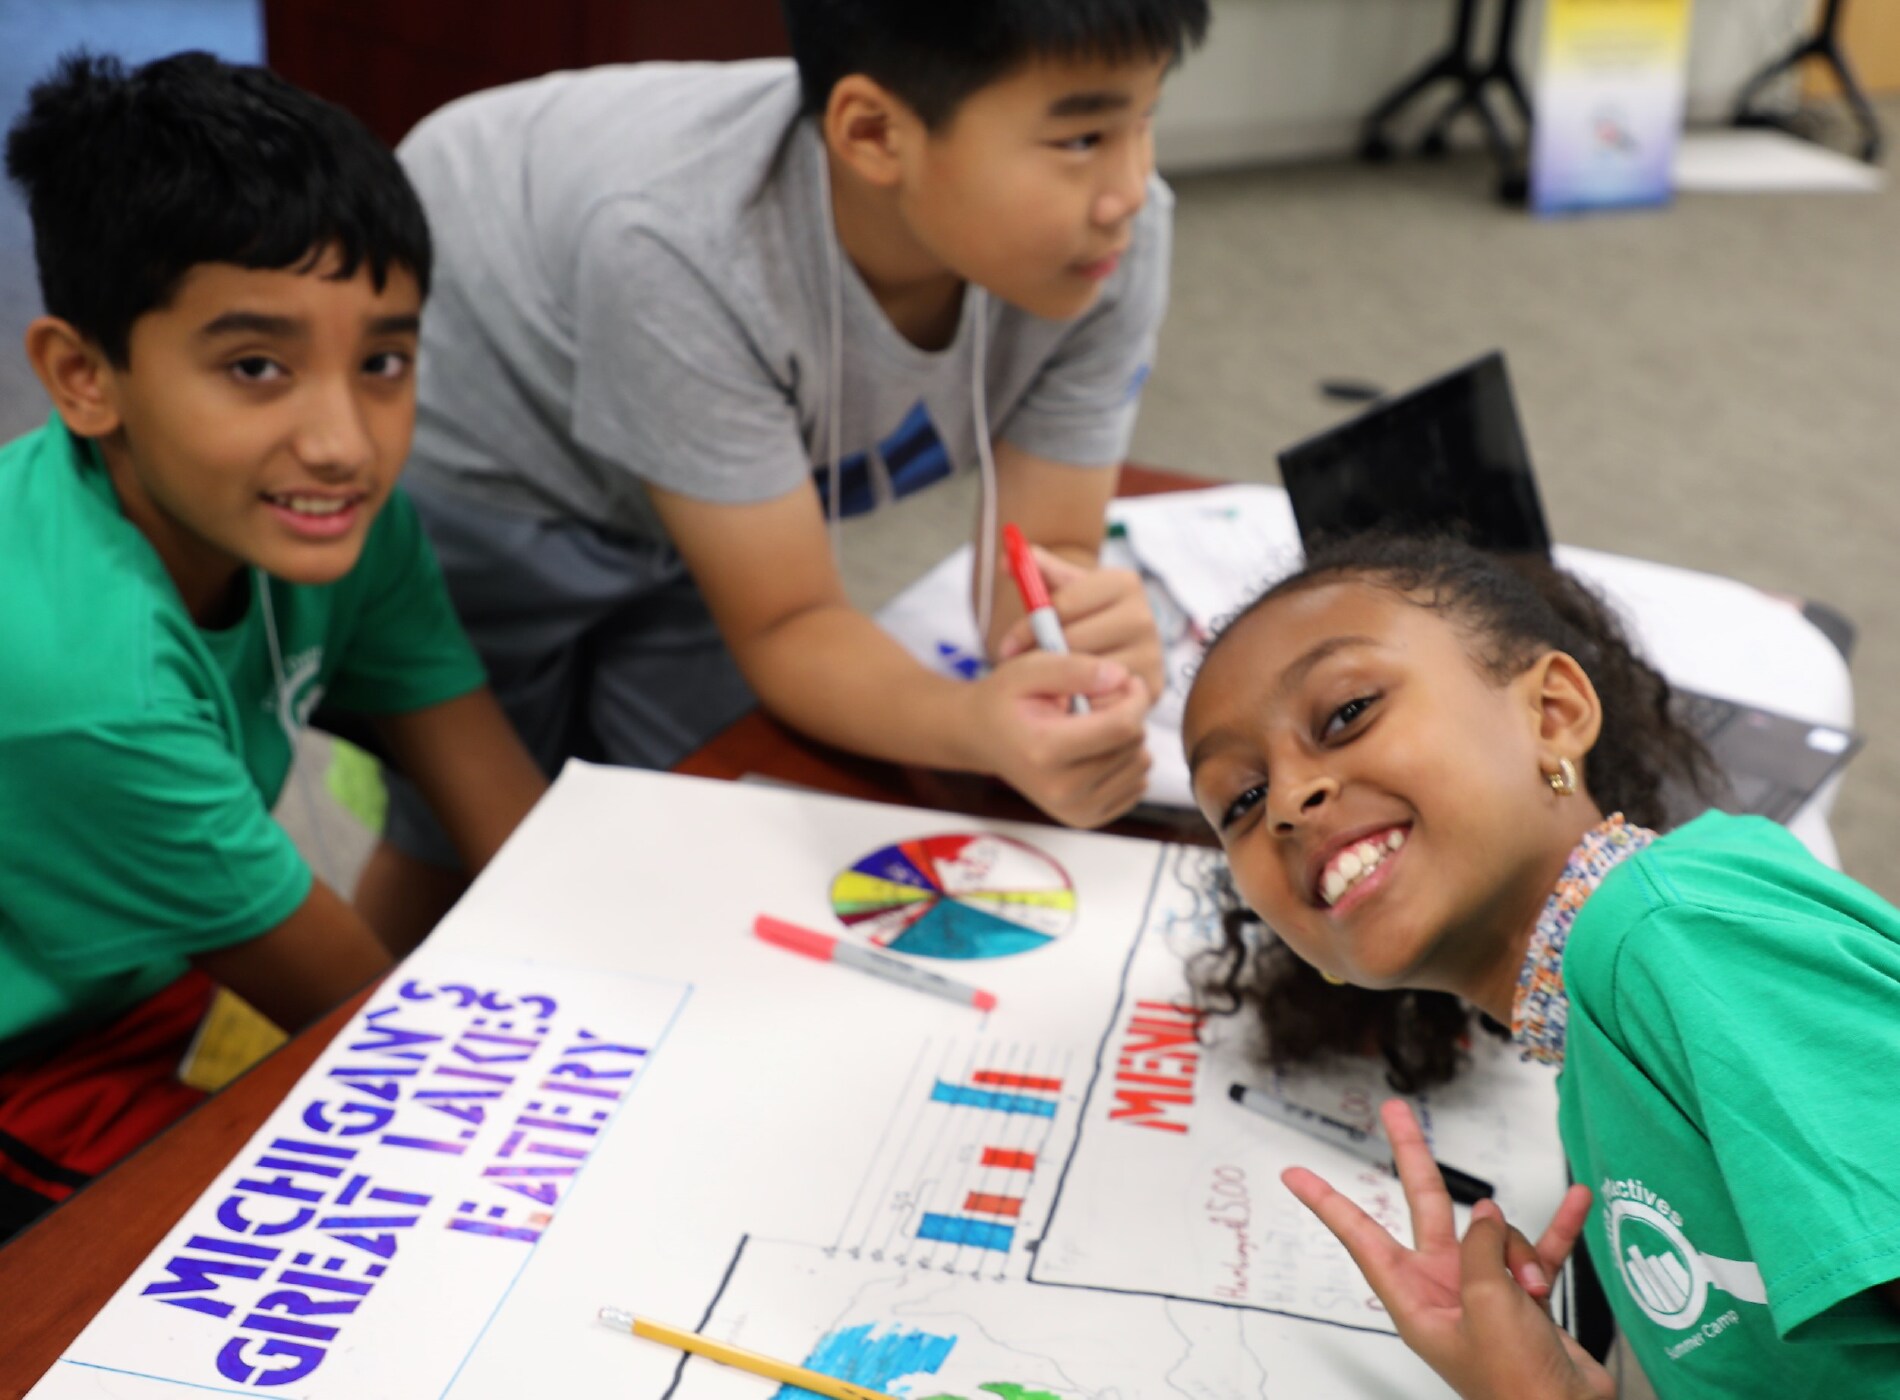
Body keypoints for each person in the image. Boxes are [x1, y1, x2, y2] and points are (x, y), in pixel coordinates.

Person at [368, 0, 1210, 942]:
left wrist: (1066, 649)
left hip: (706, 477)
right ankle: (304, 1048)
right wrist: (978, 724)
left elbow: (1042, 555)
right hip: (488, 452)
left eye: (1146, 121)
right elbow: (785, 622)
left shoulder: (1110, 244)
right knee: (475, 837)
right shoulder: (680, 240)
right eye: (1083, 136)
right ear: (874, 133)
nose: (1130, 188)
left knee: (730, 805)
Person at [0, 51, 546, 1239]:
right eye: (257, 367)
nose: (345, 441)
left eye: (383, 362)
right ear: (83, 376)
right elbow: (356, 1017)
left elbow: (511, 822)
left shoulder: (339, 518)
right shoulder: (81, 683)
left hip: (142, 978)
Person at [1180, 533, 1900, 1399]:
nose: (1291, 799)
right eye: (1242, 800)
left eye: (1346, 715)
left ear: (1553, 713)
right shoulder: (1597, 1051)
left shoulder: (1681, 944)